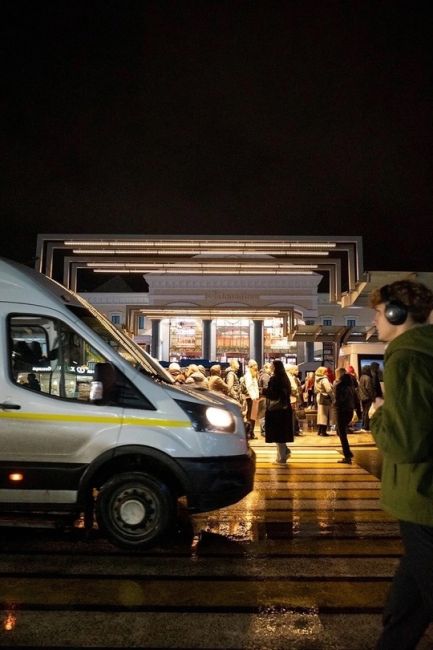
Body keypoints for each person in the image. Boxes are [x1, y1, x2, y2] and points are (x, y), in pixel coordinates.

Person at [369, 279, 433, 650]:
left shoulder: (406, 356)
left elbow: (405, 443)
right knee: (406, 609)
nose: (375, 319)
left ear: (396, 313)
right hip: (422, 496)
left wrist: (379, 414)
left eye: (378, 312)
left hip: (420, 496)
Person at [262, 359, 293, 464]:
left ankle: (282, 458)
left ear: (275, 367)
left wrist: (264, 391)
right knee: (281, 433)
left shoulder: (275, 379)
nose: (270, 367)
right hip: (285, 408)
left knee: (277, 433)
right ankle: (284, 453)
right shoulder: (285, 378)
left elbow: (273, 395)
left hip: (276, 409)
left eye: (272, 366)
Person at [333, 367, 355, 464]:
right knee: (341, 432)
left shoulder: (339, 385)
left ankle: (347, 455)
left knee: (341, 433)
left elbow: (338, 400)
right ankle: (348, 454)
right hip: (349, 410)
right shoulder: (350, 385)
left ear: (339, 374)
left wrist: (335, 404)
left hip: (341, 410)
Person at [242, 359, 260, 439]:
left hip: (254, 398)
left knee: (253, 417)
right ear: (251, 366)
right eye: (255, 365)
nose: (257, 367)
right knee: (250, 417)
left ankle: (251, 433)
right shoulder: (248, 375)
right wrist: (254, 397)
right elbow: (249, 387)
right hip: (251, 399)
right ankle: (249, 433)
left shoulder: (253, 374)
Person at [314, 366, 334, 436]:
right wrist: (333, 398)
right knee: (325, 415)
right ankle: (323, 432)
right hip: (325, 397)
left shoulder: (317, 379)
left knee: (321, 414)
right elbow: (329, 390)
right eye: (326, 371)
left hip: (319, 397)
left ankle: (319, 431)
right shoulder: (324, 379)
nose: (327, 372)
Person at [358, 365, 375, 431]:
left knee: (364, 412)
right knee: (367, 412)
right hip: (367, 397)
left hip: (362, 397)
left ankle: (363, 425)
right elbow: (369, 388)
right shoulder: (368, 378)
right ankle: (366, 426)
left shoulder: (361, 377)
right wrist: (372, 397)